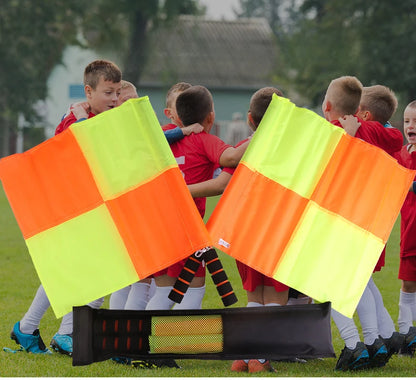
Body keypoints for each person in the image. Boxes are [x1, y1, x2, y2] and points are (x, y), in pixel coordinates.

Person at [10, 59, 122, 356]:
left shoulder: (92, 117)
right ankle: (55, 331)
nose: (114, 99)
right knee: (93, 270)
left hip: (90, 209)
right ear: (89, 91)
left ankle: (33, 329)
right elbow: (86, 150)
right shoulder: (75, 120)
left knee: (80, 271)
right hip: (75, 211)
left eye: (117, 93)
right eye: (108, 92)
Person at [188, 87, 290, 373]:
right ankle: (260, 357)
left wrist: (181, 190)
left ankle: (243, 357)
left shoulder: (246, 146)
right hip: (276, 229)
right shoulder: (291, 148)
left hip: (245, 230)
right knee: (275, 297)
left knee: (255, 295)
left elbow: (221, 185)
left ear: (249, 119)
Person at [322, 76, 403, 370]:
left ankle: (356, 345)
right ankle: (374, 342)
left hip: (339, 217)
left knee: (329, 282)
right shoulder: (374, 130)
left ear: (327, 105)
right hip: (367, 219)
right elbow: (395, 138)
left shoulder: (332, 131)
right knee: (361, 281)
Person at [145, 85, 249, 312]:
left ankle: (140, 342)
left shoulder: (160, 136)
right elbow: (230, 157)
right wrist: (262, 133)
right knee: (193, 288)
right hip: (186, 228)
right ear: (211, 116)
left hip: (156, 225)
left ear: (177, 115)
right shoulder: (203, 141)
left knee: (162, 290)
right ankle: (179, 344)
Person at [394, 100, 416, 356]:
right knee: (408, 285)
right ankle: (405, 337)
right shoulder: (400, 154)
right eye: (408, 121)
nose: (411, 126)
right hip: (409, 234)